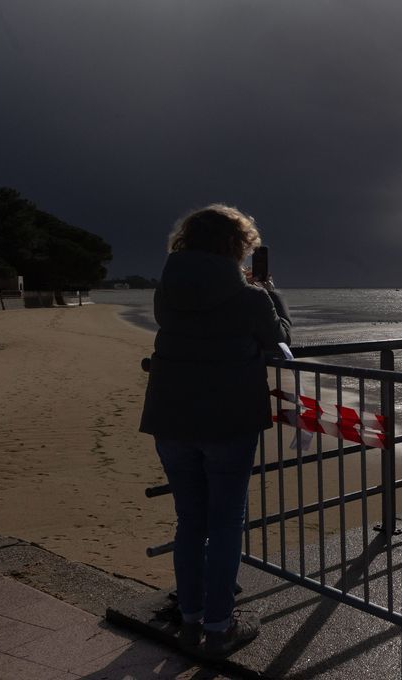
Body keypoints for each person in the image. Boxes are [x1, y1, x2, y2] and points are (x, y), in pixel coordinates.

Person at [139, 204, 291, 656]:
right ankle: (219, 626)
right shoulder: (249, 297)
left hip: (170, 416)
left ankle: (189, 618)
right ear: (237, 246)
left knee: (191, 520)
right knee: (225, 524)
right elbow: (281, 341)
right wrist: (269, 292)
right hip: (228, 419)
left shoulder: (166, 290)